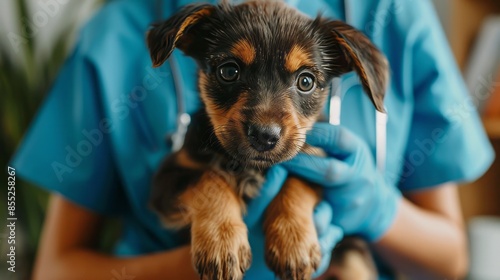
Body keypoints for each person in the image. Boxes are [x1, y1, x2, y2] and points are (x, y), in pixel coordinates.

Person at [11, 0, 494, 279]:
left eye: (305, 82)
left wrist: (377, 210)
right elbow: (55, 269)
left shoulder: (391, 11)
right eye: (228, 70)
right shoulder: (121, 25)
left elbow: (452, 260)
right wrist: (190, 262)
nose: (266, 121)